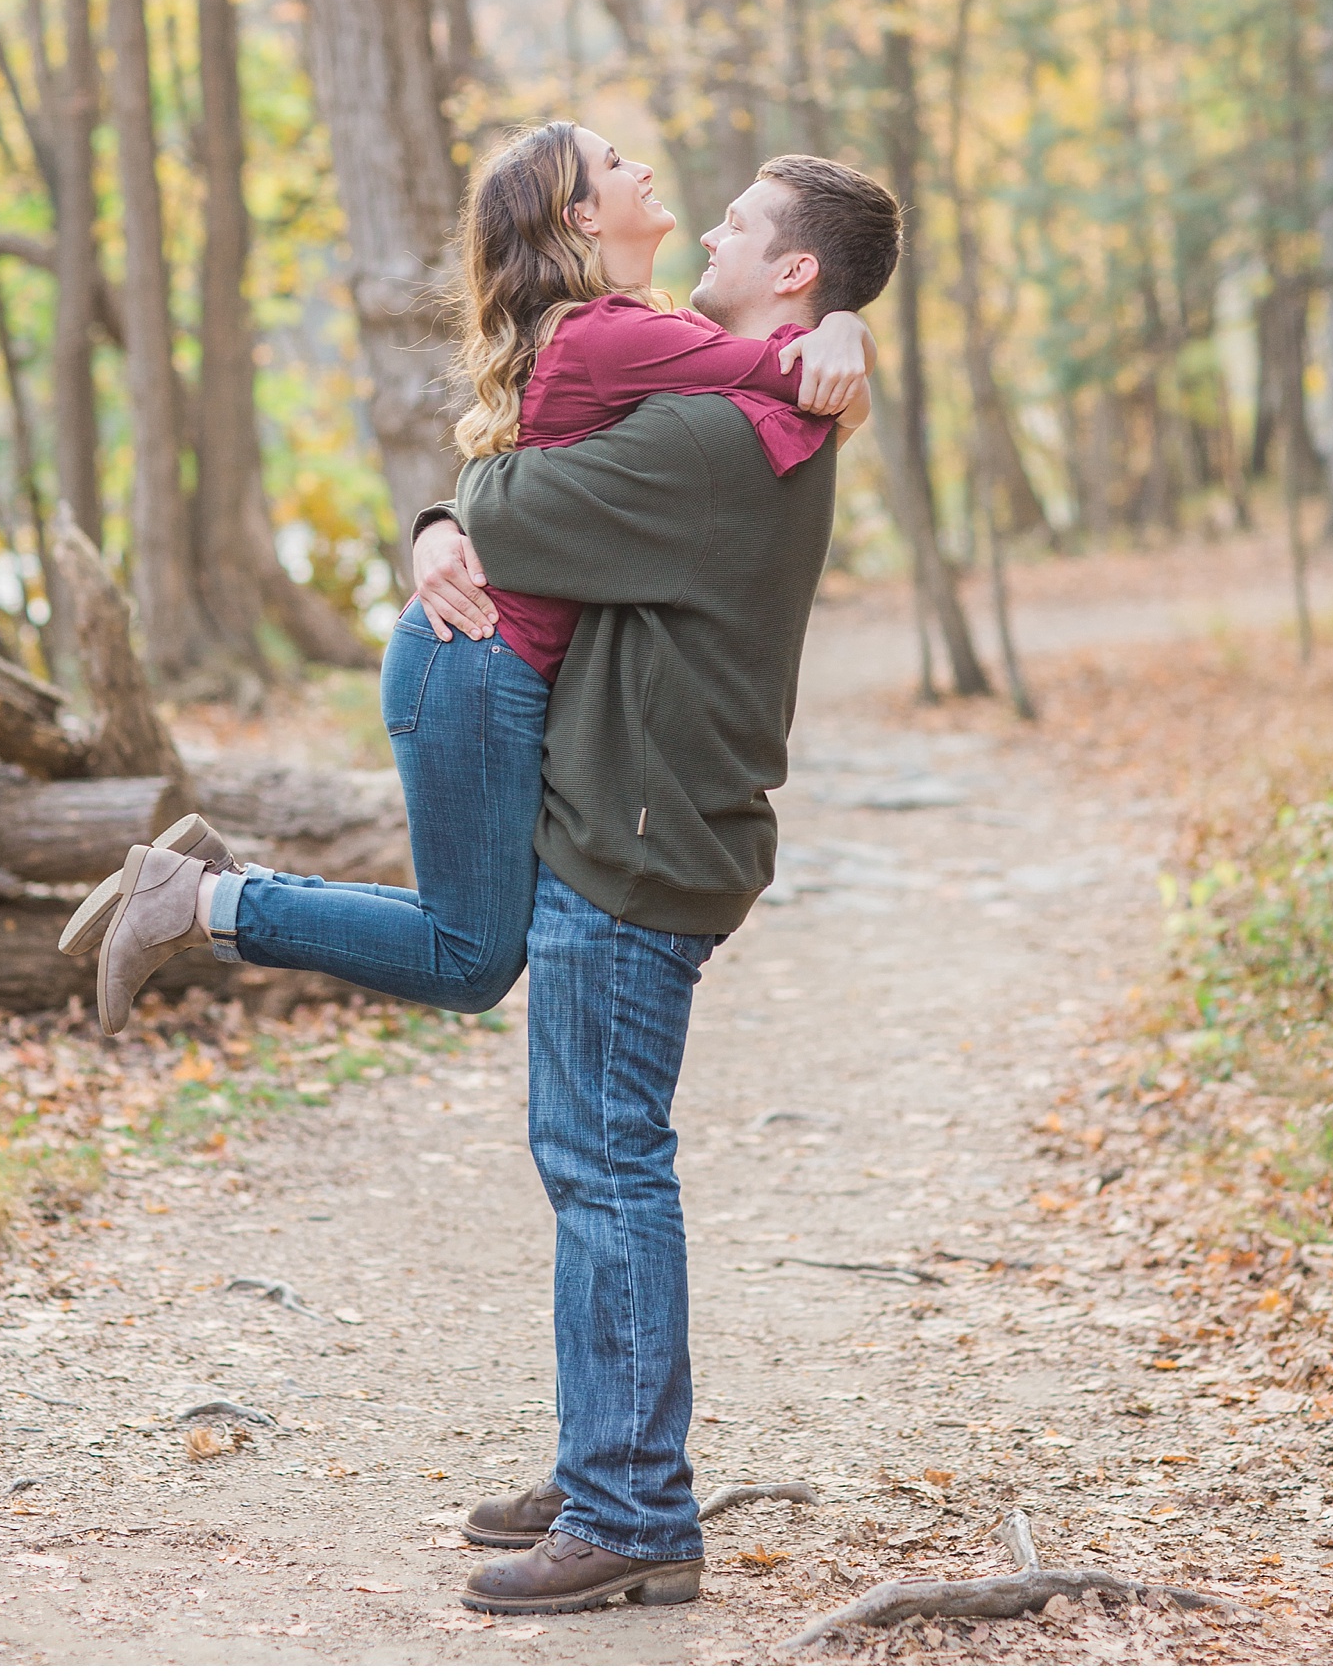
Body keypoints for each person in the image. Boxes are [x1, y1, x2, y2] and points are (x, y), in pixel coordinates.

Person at [59, 123, 877, 1038]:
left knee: (474, 950)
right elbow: (782, 372)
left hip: (491, 657)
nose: (642, 167)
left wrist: (844, 326)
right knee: (470, 956)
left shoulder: (647, 330)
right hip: (476, 657)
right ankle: (207, 902)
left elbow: (771, 390)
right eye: (614, 165)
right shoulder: (609, 333)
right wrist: (845, 336)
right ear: (578, 214)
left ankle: (208, 892)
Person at [407, 150, 901, 1615]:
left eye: (743, 223)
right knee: (594, 1157)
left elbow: (504, 502)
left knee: (607, 1158)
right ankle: (601, 1455)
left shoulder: (714, 437)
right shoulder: (744, 404)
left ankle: (631, 1506)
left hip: (638, 836)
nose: (715, 225)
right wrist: (445, 516)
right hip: (648, 816)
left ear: (794, 275)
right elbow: (506, 484)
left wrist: (442, 520)